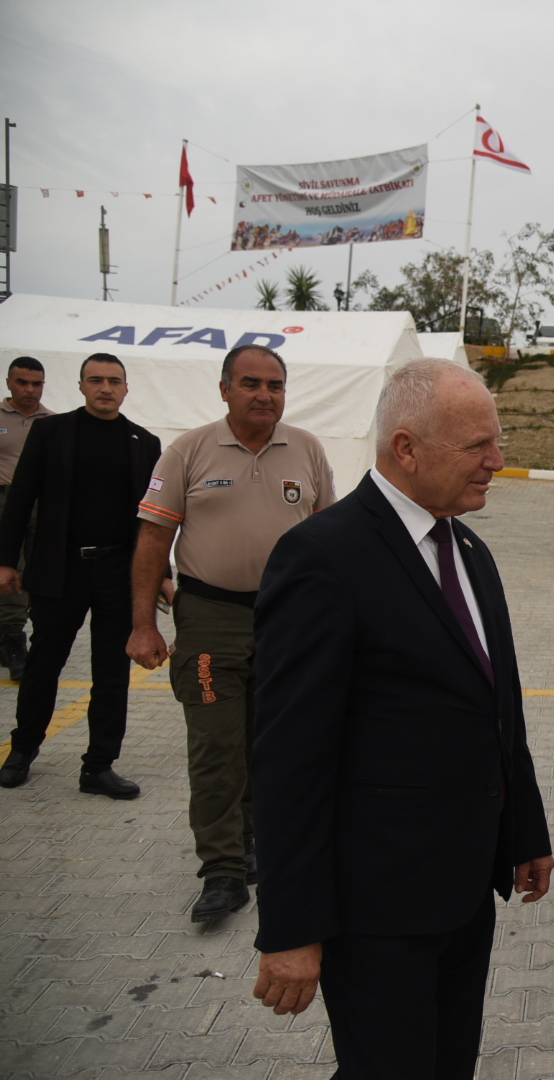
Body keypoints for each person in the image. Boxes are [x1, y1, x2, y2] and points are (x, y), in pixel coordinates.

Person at [250, 359, 554, 1079]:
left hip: (464, 893)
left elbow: (497, 709)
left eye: (498, 442)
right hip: (377, 909)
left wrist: (525, 831)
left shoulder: (469, 549)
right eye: (477, 446)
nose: (497, 461)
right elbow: (289, 759)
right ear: (406, 449)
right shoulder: (323, 557)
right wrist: (292, 928)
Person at [126, 344, 336, 923]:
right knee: (216, 744)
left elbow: (329, 540)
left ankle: (254, 841)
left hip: (287, 619)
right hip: (210, 619)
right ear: (224, 389)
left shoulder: (308, 450)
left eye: (275, 385)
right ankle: (221, 872)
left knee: (270, 741)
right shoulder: (188, 450)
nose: (264, 395)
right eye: (250, 383)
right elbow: (153, 539)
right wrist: (143, 624)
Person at [0, 353, 164, 796]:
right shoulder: (50, 432)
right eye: (96, 380)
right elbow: (20, 498)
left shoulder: (144, 442)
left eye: (114, 380)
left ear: (126, 388)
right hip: (60, 568)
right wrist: (5, 560)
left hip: (118, 571)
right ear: (80, 385)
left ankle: (98, 766)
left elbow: (154, 520)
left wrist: (161, 575)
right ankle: (22, 750)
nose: (105, 388)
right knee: (43, 664)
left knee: (112, 671)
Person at [0, 356, 53, 680]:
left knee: (39, 568)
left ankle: (20, 635)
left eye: (36, 384)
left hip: (42, 503)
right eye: (22, 382)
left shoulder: (53, 422)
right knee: (12, 569)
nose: (30, 390)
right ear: (9, 383)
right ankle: (13, 639)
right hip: (4, 500)